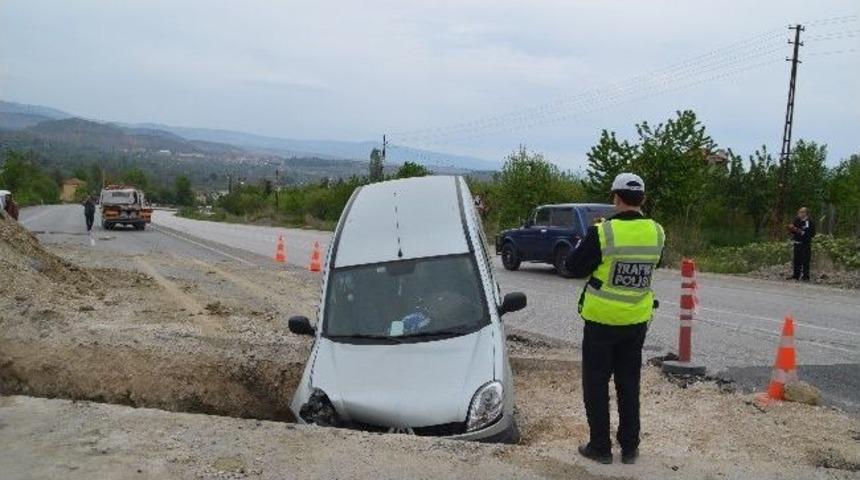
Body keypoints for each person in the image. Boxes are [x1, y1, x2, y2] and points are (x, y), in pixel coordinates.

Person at [564, 173, 664, 465]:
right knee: (629, 382)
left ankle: (600, 447)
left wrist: (586, 242)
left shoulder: (603, 232)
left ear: (615, 198)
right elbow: (654, 263)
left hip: (601, 322)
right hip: (636, 321)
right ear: (642, 199)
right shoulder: (658, 232)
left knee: (596, 383)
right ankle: (630, 447)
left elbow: (573, 266)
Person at [787, 207, 815, 281]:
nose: (799, 214)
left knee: (805, 260)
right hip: (797, 242)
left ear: (805, 213)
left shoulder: (808, 221)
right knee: (796, 259)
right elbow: (793, 230)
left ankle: (806, 276)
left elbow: (809, 233)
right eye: (799, 212)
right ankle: (796, 275)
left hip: (805, 243)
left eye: (802, 212)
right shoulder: (796, 220)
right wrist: (791, 229)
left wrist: (797, 230)